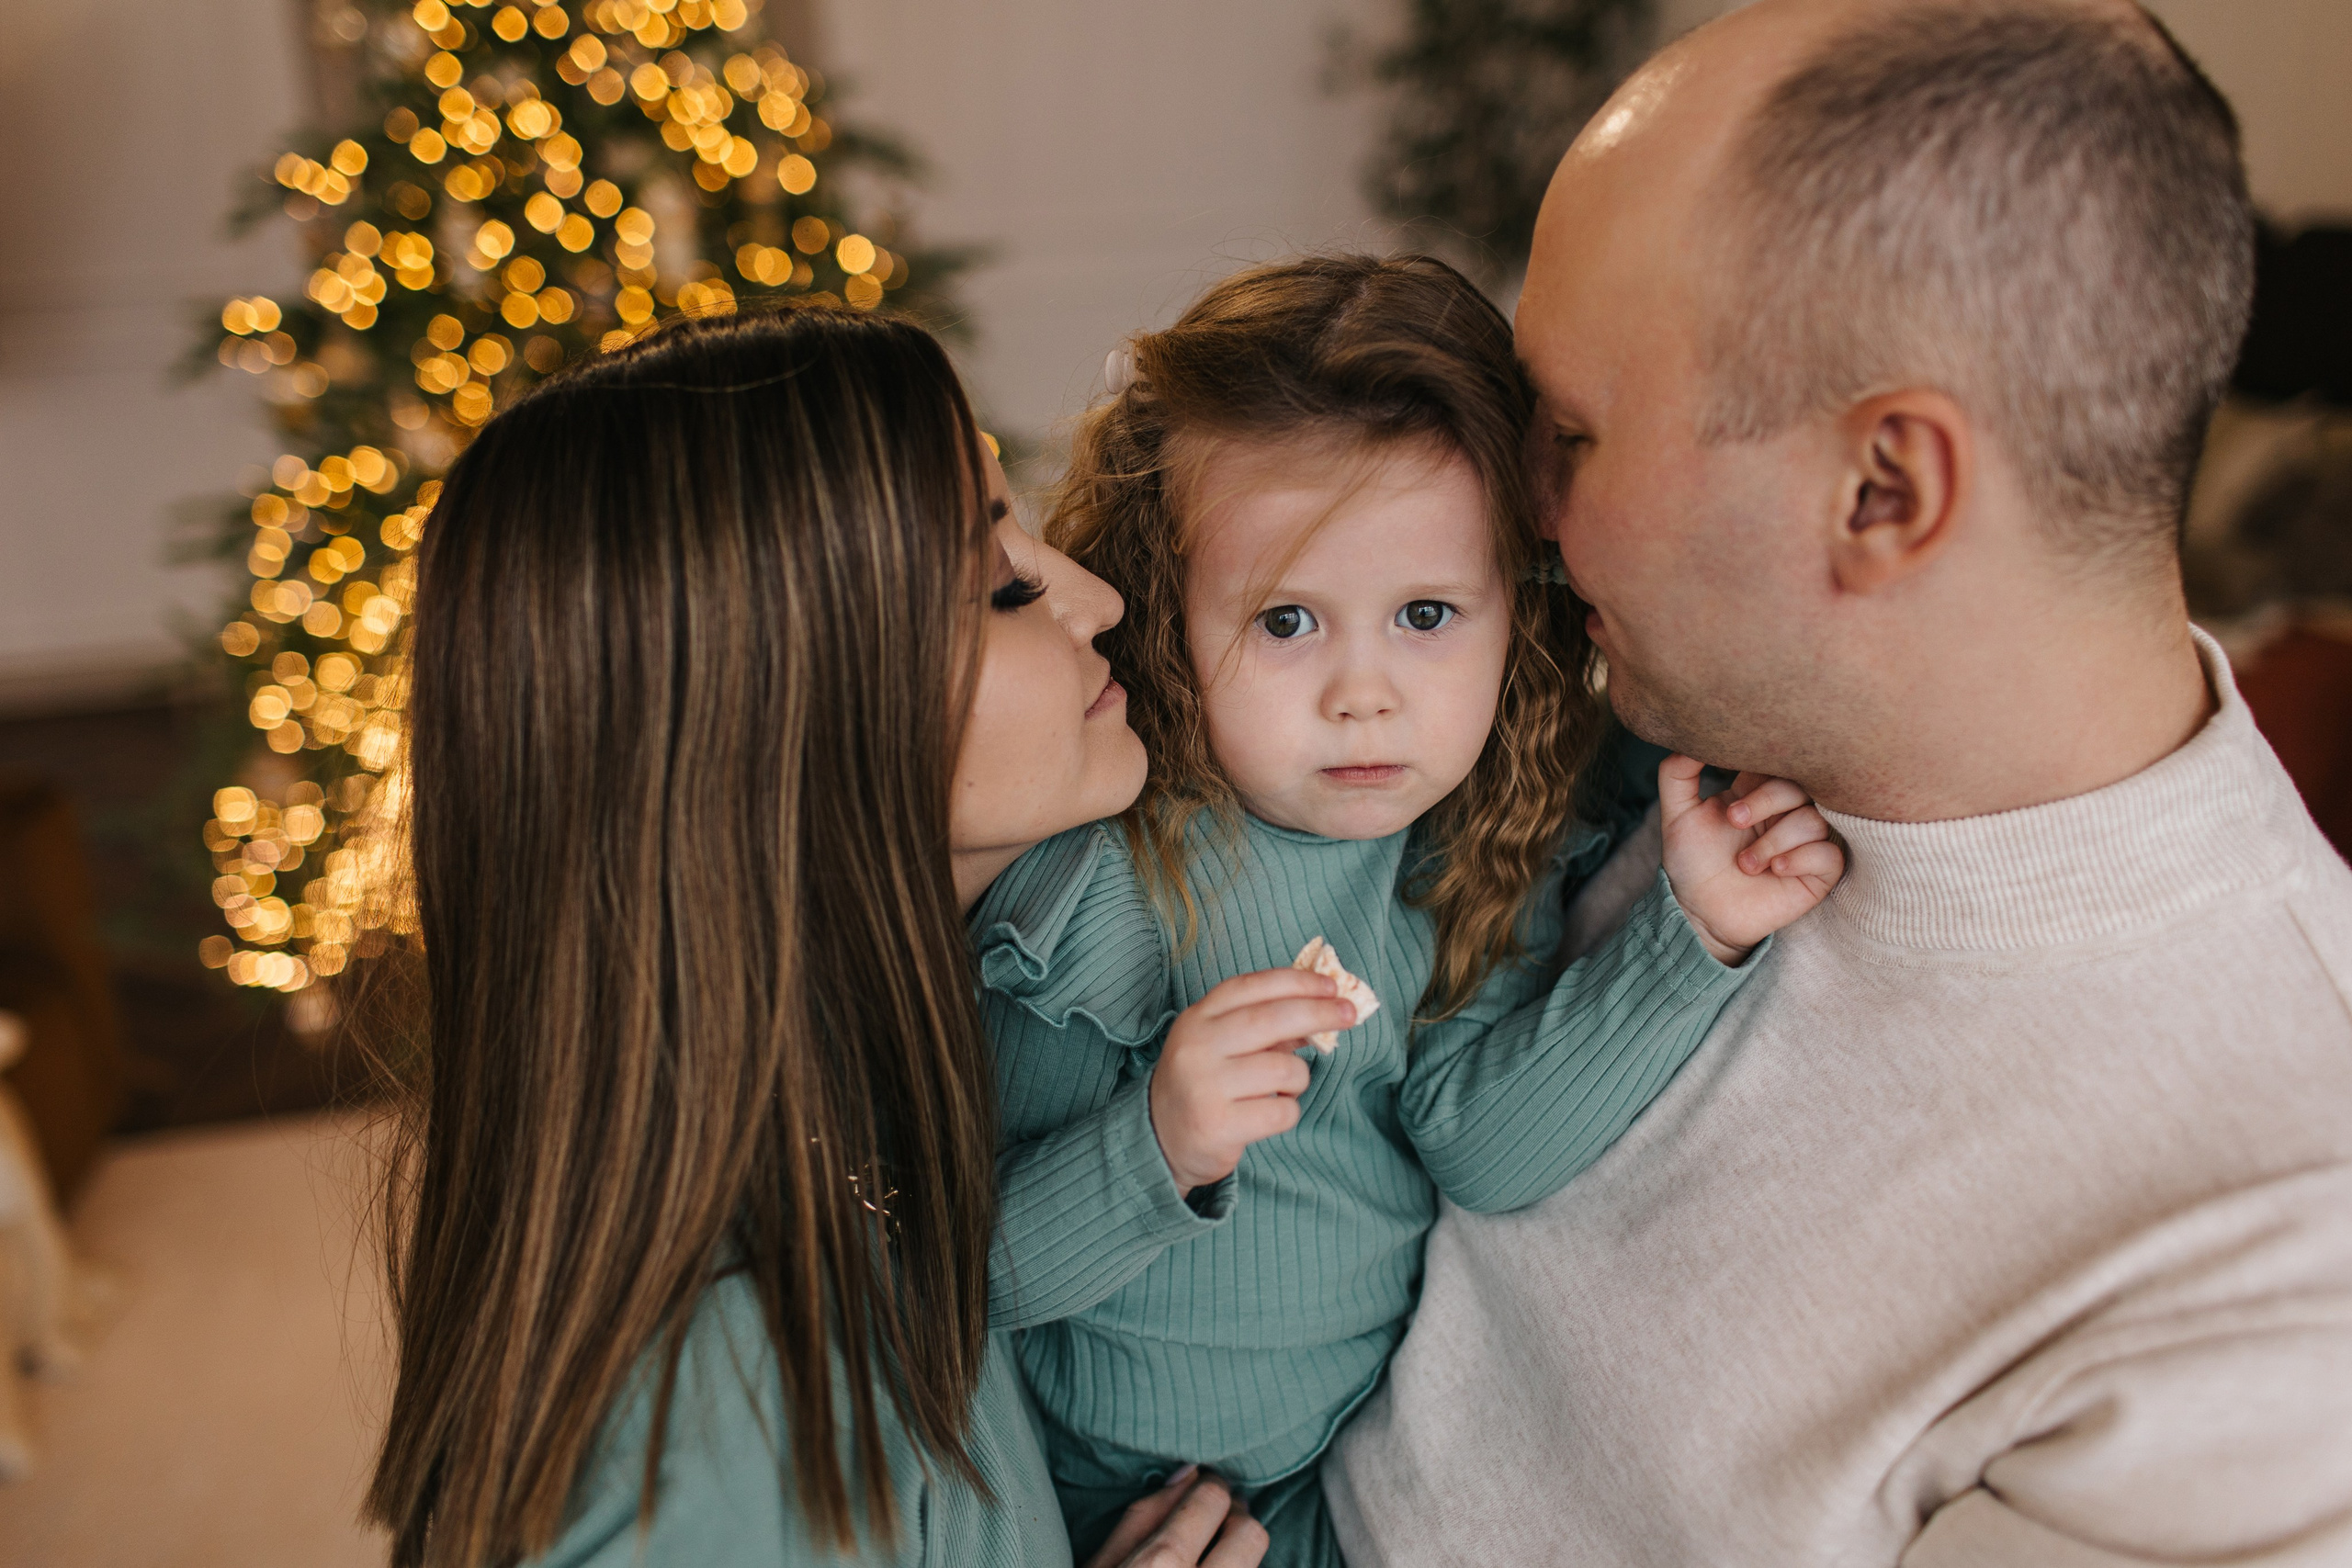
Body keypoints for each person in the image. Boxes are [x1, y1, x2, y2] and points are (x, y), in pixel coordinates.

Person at [1326, 2, 2352, 1563]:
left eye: (1580, 435)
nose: (1526, 511)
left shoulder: (2271, 1271)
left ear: (1884, 490)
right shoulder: (1676, 720)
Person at [362, 304, 1268, 1568]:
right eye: (1001, 585)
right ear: (784, 734)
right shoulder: (720, 1387)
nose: (1099, 598)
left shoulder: (837, 1121)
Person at [971, 254, 1843, 1564]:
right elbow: (955, 1288)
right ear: (1166, 615)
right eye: (1286, 624)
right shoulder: (1096, 877)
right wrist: (1156, 1140)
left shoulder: (1474, 846)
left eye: (1426, 614)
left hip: (1327, 1488)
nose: (1363, 694)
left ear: (1519, 615)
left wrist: (1693, 937)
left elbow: (1479, 1143)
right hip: (1077, 1497)